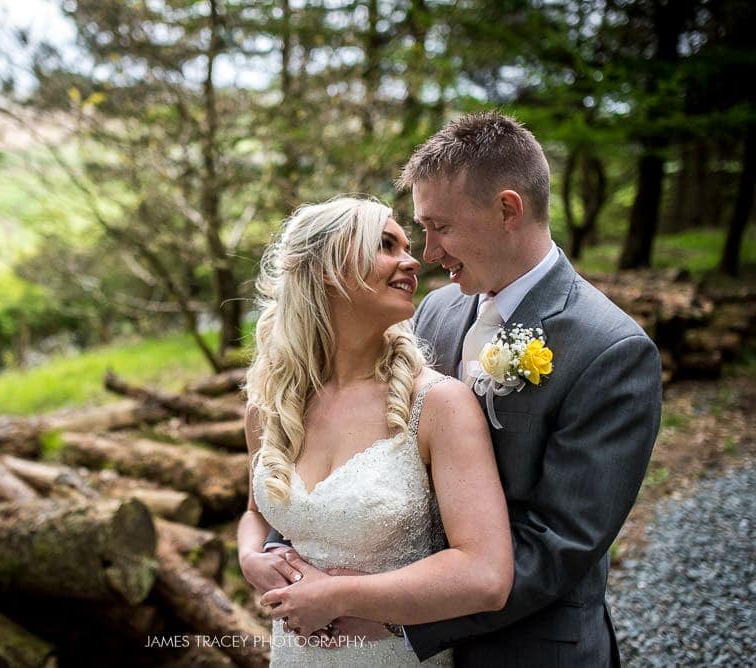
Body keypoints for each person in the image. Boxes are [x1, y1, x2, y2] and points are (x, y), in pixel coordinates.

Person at [260, 111, 664, 666]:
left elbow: (559, 542)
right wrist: (297, 550)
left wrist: (391, 616)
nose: (427, 253)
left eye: (440, 227)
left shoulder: (612, 350)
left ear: (507, 209)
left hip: (527, 647)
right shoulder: (437, 310)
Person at [237, 195, 514, 666]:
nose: (413, 260)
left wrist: (341, 596)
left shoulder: (437, 404)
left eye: (406, 245)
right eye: (386, 244)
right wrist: (250, 558)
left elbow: (485, 575)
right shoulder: (271, 407)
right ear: (324, 268)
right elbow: (255, 513)